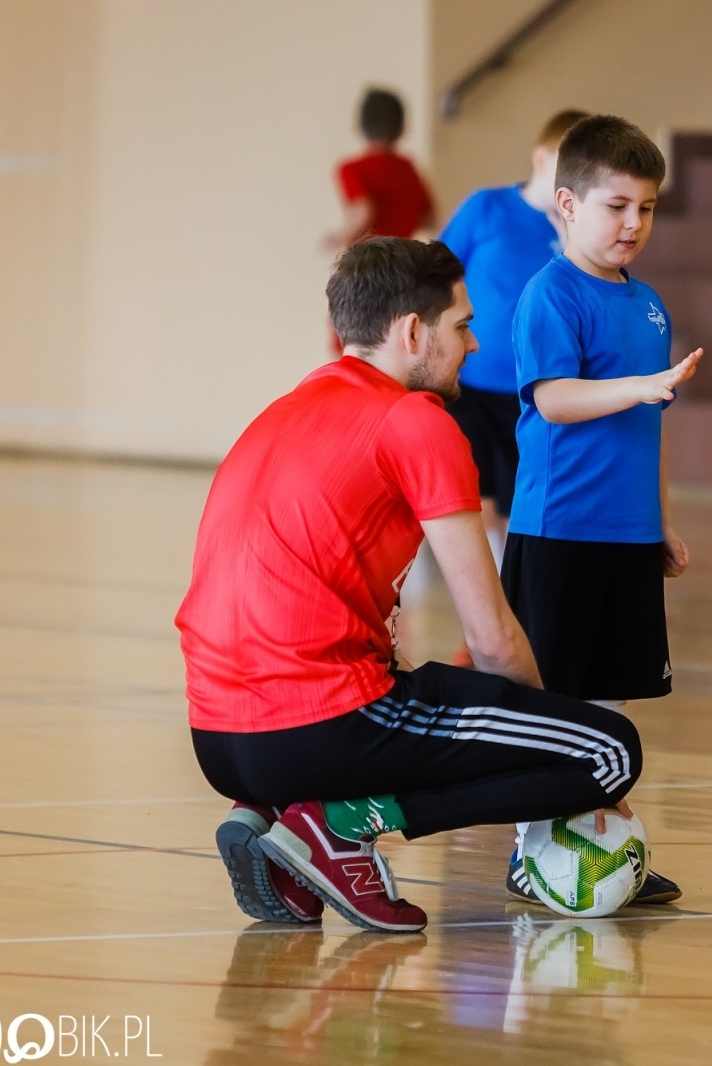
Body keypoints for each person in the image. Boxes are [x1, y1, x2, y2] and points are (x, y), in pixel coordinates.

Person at [176, 237, 644, 933]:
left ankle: (282, 824)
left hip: (217, 738)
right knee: (610, 750)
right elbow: (490, 636)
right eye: (462, 325)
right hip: (320, 722)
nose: (476, 345)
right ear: (413, 332)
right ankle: (345, 823)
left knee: (438, 710)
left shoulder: (283, 409)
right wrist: (561, 750)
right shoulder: (416, 420)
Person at [501, 115, 700, 906]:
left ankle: (595, 852)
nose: (633, 224)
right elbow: (554, 399)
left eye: (646, 209)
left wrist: (662, 521)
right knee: (552, 703)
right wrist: (636, 388)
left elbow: (648, 429)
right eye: (616, 206)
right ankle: (528, 851)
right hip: (558, 533)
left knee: (608, 708)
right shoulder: (550, 294)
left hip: (625, 536)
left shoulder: (649, 305)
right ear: (567, 203)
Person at [440, 109, 589, 564]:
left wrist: (572, 242)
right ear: (541, 160)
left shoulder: (579, 233)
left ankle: (511, 602)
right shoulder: (486, 208)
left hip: (535, 394)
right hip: (471, 385)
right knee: (474, 501)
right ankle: (487, 613)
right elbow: (435, 270)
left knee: (521, 505)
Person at [324, 89, 436, 253]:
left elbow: (365, 210)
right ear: (401, 129)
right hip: (403, 260)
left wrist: (341, 236)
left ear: (360, 126)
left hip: (367, 261)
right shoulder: (408, 168)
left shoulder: (352, 169)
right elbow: (429, 219)